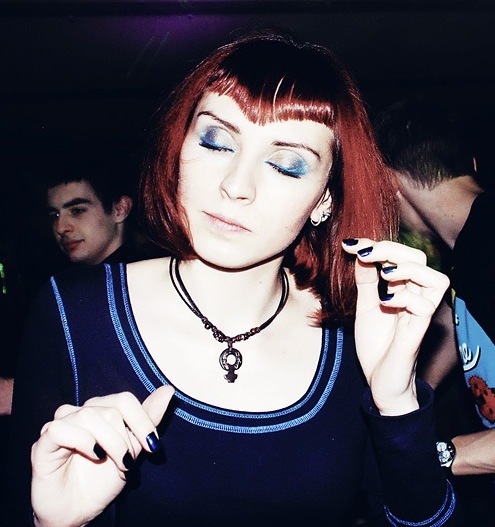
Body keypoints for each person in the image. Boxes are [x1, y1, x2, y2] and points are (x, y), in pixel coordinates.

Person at [7, 31, 461, 527]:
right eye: (215, 141)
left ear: (325, 200)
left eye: (286, 165)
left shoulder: (357, 338)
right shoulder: (73, 313)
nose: (235, 186)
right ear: (180, 149)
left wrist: (395, 400)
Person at [374, 98, 495, 480]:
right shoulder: (469, 242)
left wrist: (435, 456)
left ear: (389, 184)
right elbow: (457, 318)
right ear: (471, 164)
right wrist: (406, 397)